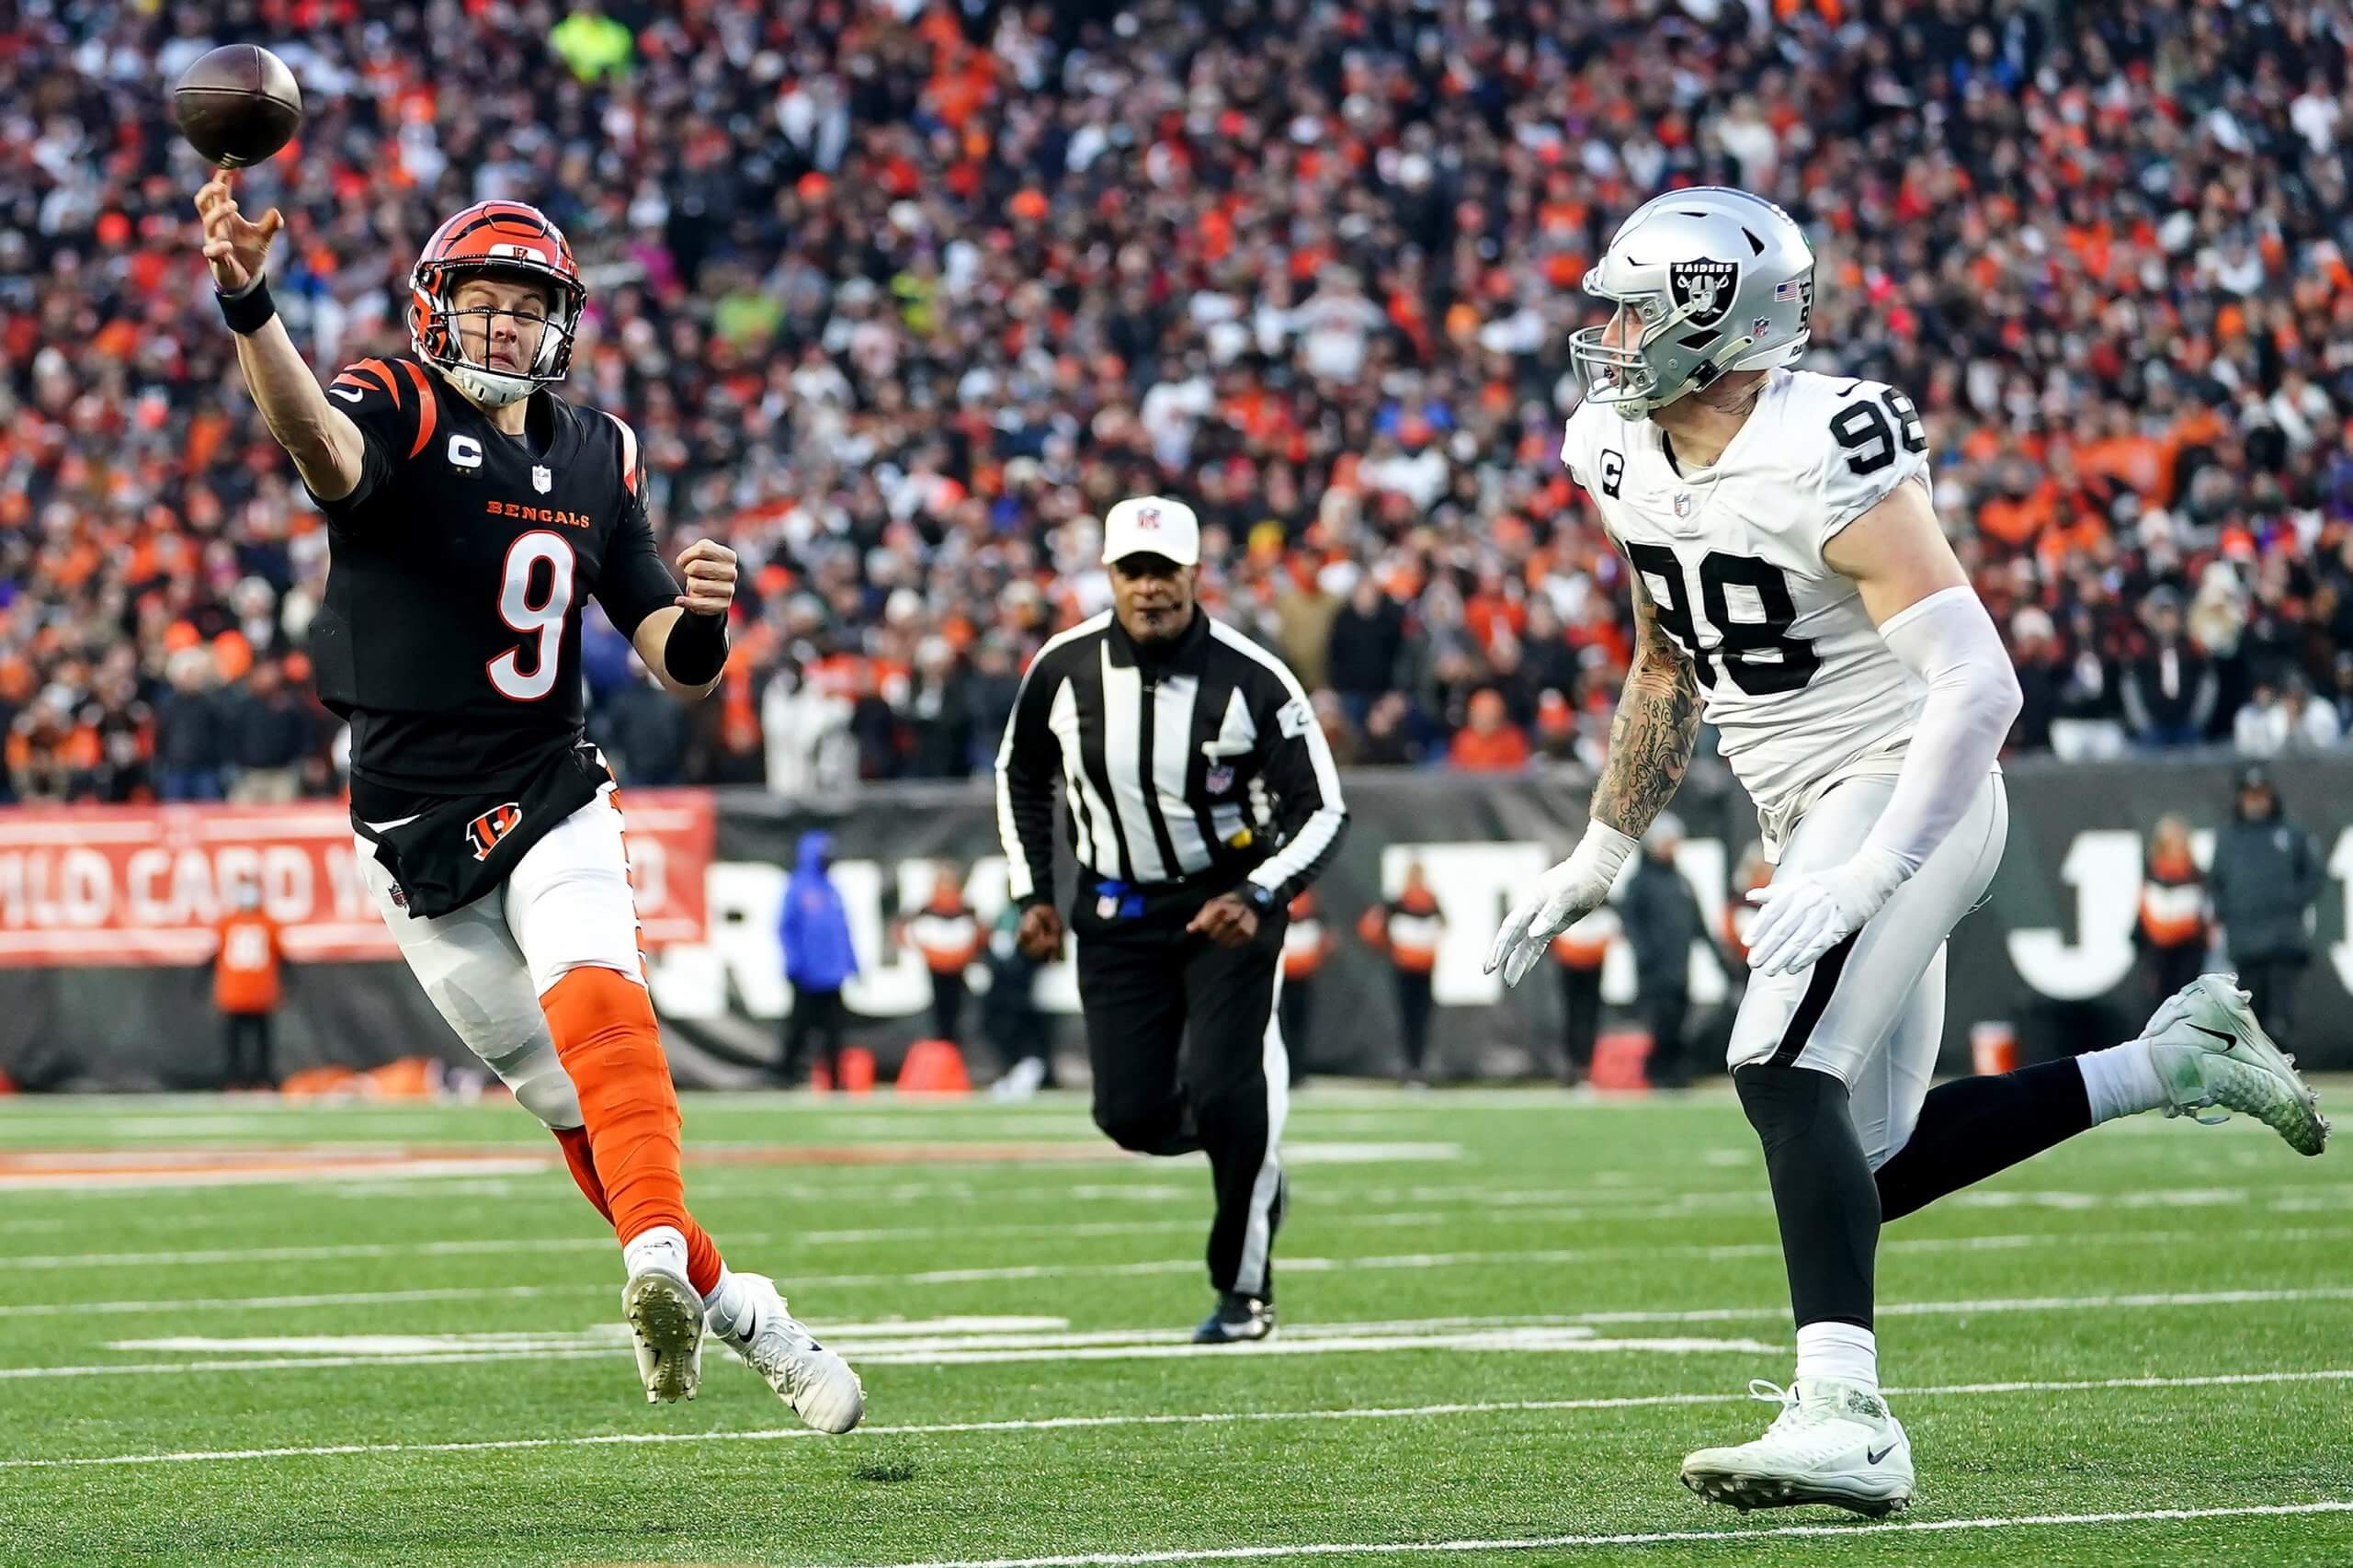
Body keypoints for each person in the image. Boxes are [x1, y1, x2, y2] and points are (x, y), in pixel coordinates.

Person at [1484, 187, 2324, 1519]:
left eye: (1635, 306)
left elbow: (1980, 687)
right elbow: (1664, 659)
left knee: (1772, 1063)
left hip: (1901, 785)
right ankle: (2169, 1060)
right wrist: (1598, 849)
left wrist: (1873, 866)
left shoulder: (1828, 443)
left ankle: (1850, 1417)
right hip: (1804, 803)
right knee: (1861, 1161)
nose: (1609, 331)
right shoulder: (1616, 446)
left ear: (1716, 317)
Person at [192, 171, 860, 1429]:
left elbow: (665, 647)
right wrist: (247, 299)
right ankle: (748, 1310)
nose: (503, 325)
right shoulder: (389, 394)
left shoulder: (599, 449)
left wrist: (707, 621)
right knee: (571, 1105)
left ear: (561, 323)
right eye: (484, 302)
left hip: (547, 780)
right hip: (411, 831)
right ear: (437, 308)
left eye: (525, 305)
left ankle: (656, 1258)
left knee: (604, 1001)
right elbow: (313, 445)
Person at [996, 494, 1347, 1344]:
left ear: (1195, 575)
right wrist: (1033, 893)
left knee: (1234, 1091)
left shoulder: (1254, 676)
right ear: (1110, 577)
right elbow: (1020, 773)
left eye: (1165, 571)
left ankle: (1243, 1293)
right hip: (1116, 911)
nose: (1150, 589)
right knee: (1129, 1115)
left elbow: (1324, 809)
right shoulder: (1064, 666)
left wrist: (1260, 892)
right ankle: (1247, 1155)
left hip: (1224, 912)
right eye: (1134, 572)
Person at [2209, 766, 2324, 1039]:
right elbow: (2216, 883)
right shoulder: (2228, 838)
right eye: (2250, 795)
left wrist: (2289, 900)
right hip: (2245, 941)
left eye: (2261, 795)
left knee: (2279, 1017)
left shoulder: (2290, 833)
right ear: (2240, 798)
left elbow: (2314, 875)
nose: (2256, 802)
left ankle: (2283, 1075)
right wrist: (2229, 910)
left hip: (2283, 940)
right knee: (2250, 1017)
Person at [1620, 813, 1704, 1089]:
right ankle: (1658, 1074)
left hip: (1680, 965)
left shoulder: (1681, 881)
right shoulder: (1640, 882)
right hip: (1654, 970)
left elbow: (1697, 922)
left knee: (1679, 1020)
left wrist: (1718, 956)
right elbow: (1630, 922)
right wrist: (1644, 954)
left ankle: (1676, 1074)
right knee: (1660, 1022)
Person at [778, 830, 858, 1085]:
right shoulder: (798, 888)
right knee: (799, 1028)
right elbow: (785, 928)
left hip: (832, 974)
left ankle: (836, 1079)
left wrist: (851, 962)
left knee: (835, 1030)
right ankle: (786, 1073)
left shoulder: (832, 890)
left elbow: (843, 930)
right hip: (807, 974)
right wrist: (794, 961)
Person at [1357, 864, 1446, 1086]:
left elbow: (1444, 924)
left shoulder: (1430, 901)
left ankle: (1418, 1067)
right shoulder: (1396, 902)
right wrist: (1387, 945)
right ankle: (1410, 1068)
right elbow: (1370, 928)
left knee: (1420, 1019)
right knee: (1409, 1019)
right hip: (1404, 969)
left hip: (1424, 969)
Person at [210, 881, 286, 1090]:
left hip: (241, 992)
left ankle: (243, 1081)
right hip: (253, 992)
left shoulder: (230, 923)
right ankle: (253, 1081)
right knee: (254, 1042)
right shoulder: (265, 923)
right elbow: (282, 957)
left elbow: (213, 956)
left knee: (243, 1042)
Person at [903, 861, 981, 1046]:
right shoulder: (927, 909)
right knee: (940, 1012)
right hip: (936, 968)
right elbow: (909, 933)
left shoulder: (965, 909)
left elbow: (977, 935)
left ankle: (952, 1051)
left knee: (956, 1011)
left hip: (957, 969)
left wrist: (960, 955)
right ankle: (943, 1050)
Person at [2135, 814, 2210, 1006]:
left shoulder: (2197, 877)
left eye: (2180, 841)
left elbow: (2205, 922)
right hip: (2160, 958)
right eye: (2172, 842)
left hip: (2190, 955)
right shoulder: (2153, 878)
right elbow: (2147, 926)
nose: (2177, 847)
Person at [1548, 903, 1616, 1086]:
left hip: (1592, 953)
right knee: (1573, 1014)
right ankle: (1573, 1068)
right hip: (1570, 953)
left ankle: (1585, 1068)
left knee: (1587, 1014)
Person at [1278, 889, 1336, 1087]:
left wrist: (1314, 961)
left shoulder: (1313, 911)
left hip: (1302, 976)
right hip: (1282, 976)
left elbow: (1329, 940)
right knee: (1283, 1027)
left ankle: (1296, 1071)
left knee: (1297, 1026)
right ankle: (1286, 1071)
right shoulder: (1279, 902)